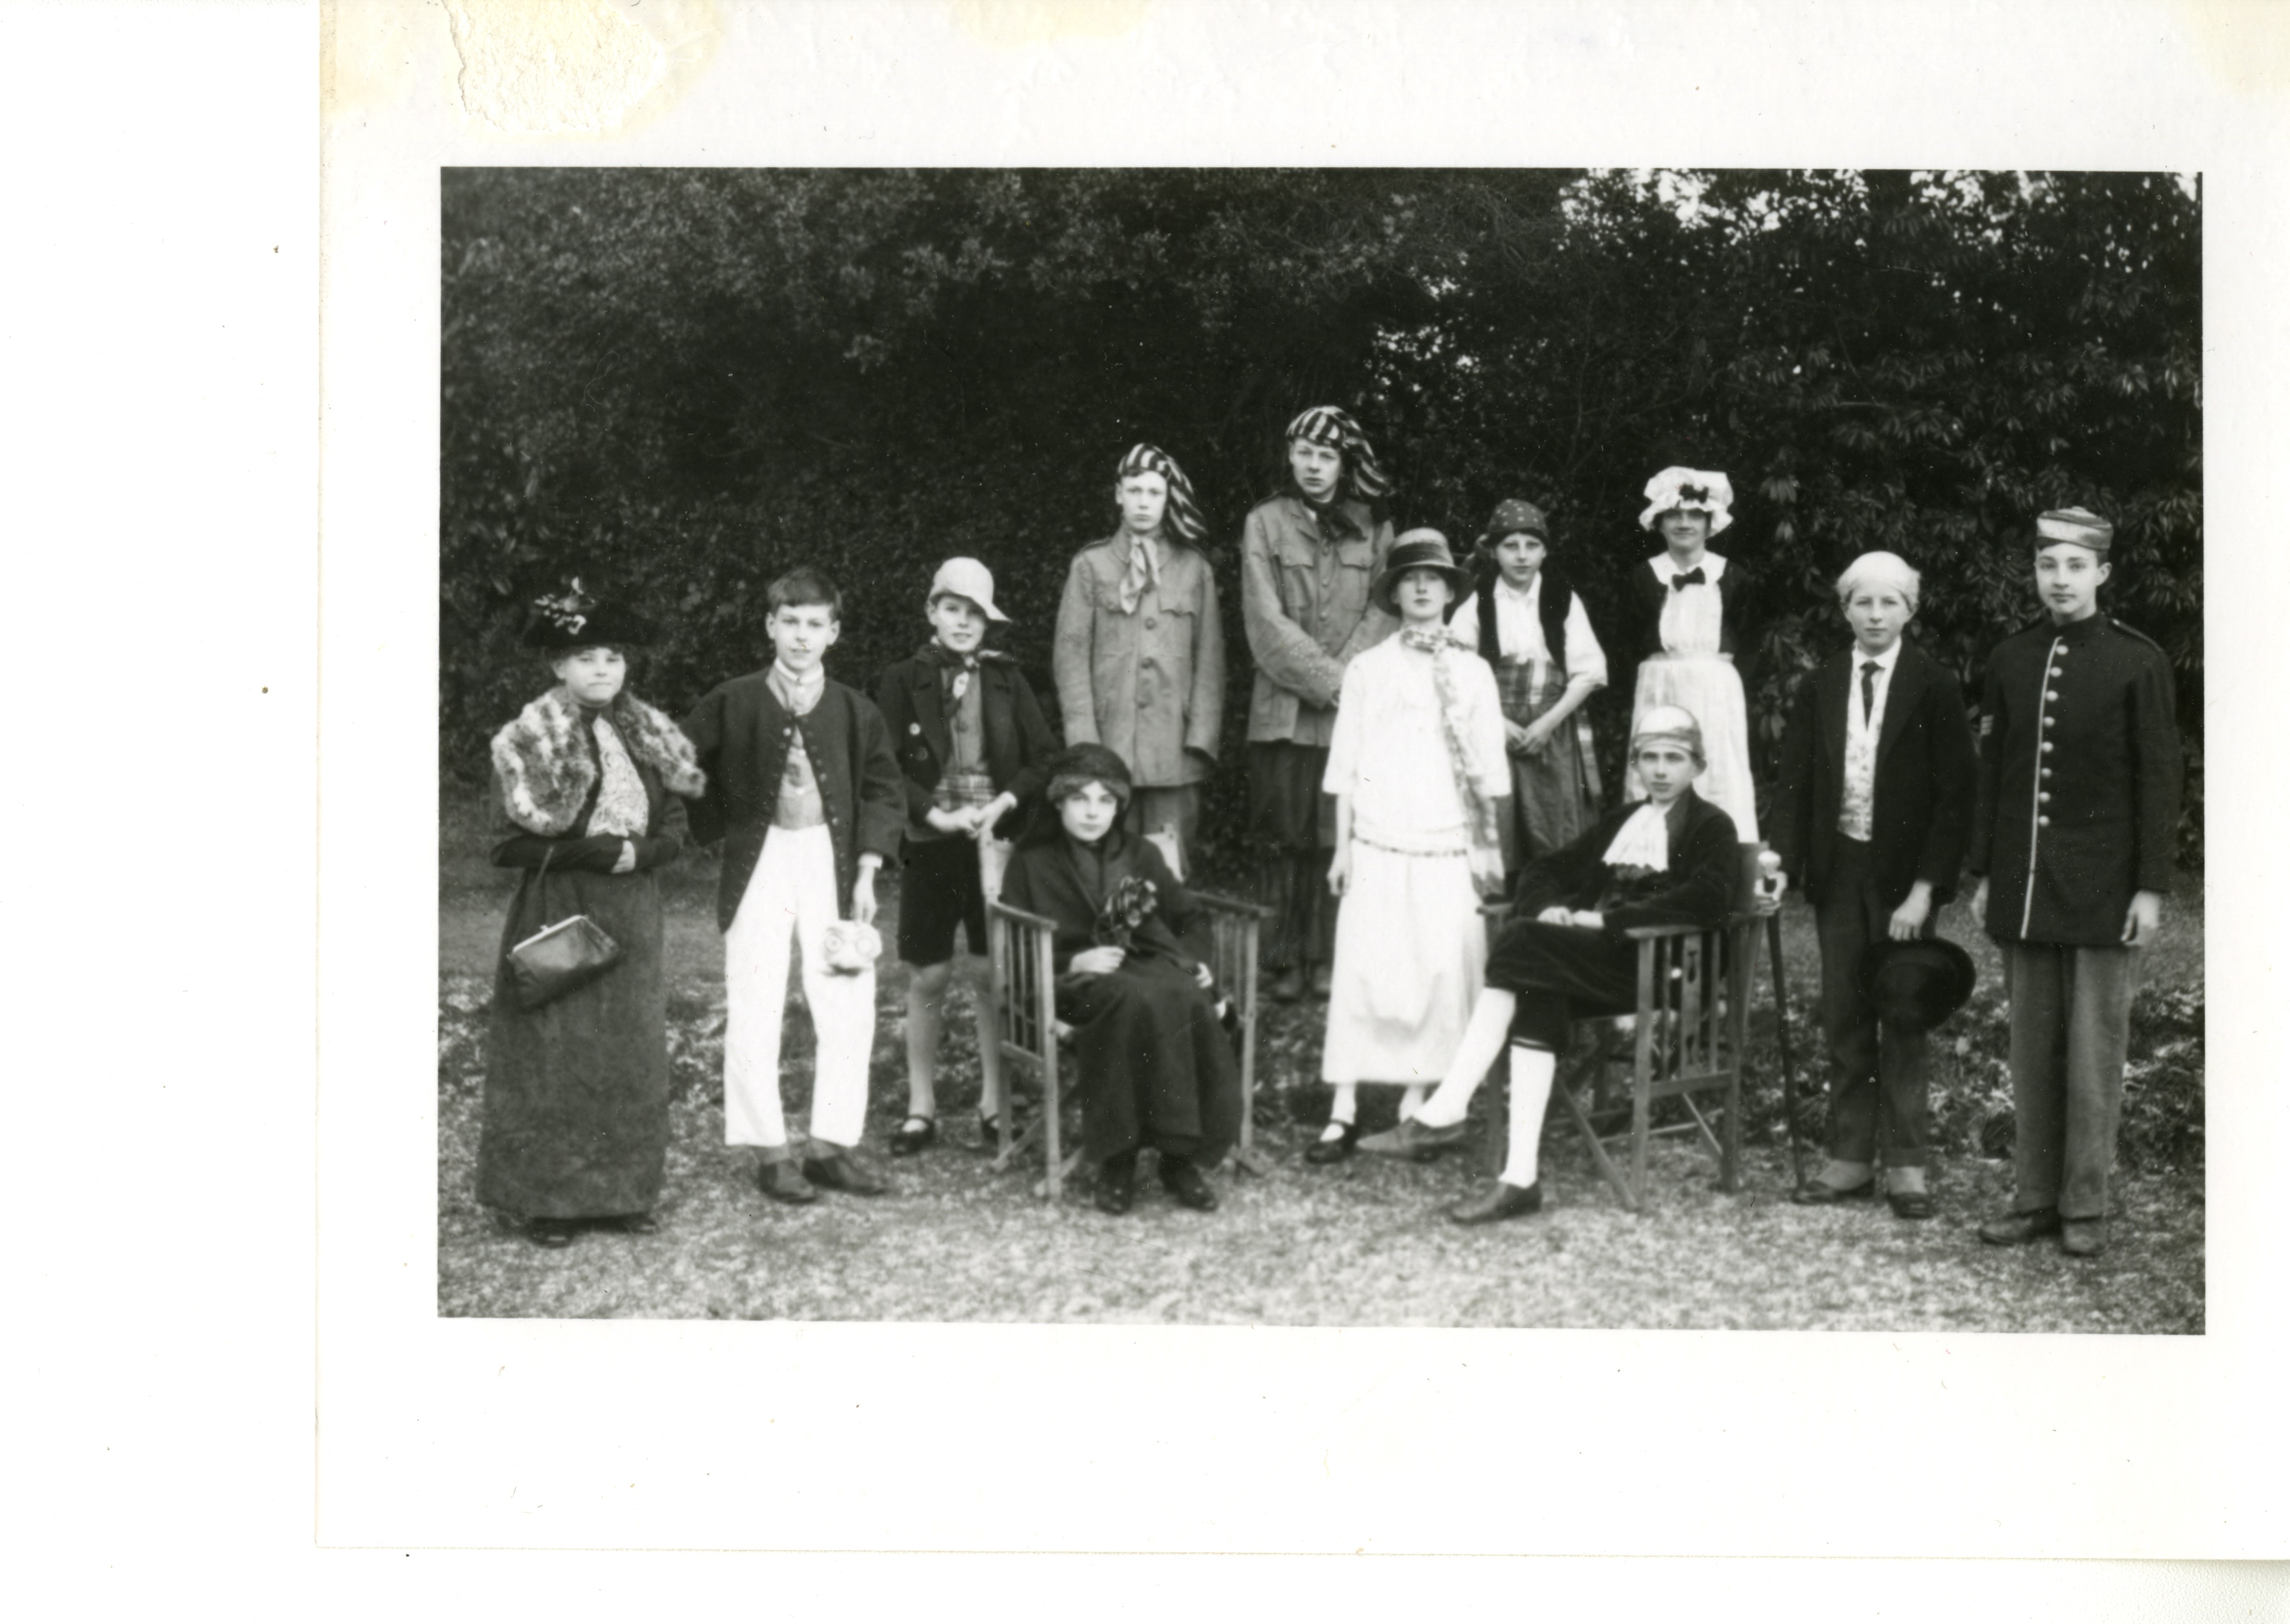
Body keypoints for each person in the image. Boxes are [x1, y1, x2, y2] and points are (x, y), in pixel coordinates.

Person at [1362, 707, 1768, 1223]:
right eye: (1650, 759)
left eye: (1674, 759)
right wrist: (1546, 907)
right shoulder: (1622, 821)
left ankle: (1447, 1109)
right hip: (1597, 964)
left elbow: (1705, 900)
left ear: (1697, 767)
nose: (1661, 770)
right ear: (1637, 766)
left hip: (1661, 968)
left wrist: (1606, 921)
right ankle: (1519, 1180)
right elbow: (1547, 868)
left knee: (1523, 947)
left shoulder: (1712, 826)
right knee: (1536, 985)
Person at [1966, 507, 2181, 1259]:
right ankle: (2033, 1197)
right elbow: (1996, 775)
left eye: (2075, 566)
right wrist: (1984, 875)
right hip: (2026, 883)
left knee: (2093, 1053)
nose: (2059, 579)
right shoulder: (2011, 657)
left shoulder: (2137, 661)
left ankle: (2084, 1202)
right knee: (2032, 1053)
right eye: (2047, 564)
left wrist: (2149, 887)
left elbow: (2159, 780)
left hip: (2105, 888)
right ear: (2034, 570)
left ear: (2102, 572)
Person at [479, 585, 707, 1247]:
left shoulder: (648, 734)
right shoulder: (528, 740)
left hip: (633, 911)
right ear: (559, 665)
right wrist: (593, 852)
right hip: (559, 909)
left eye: (613, 657)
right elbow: (505, 844)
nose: (603, 670)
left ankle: (622, 1195)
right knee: (556, 1053)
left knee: (628, 1053)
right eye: (586, 657)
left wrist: (644, 853)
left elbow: (675, 823)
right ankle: (548, 1201)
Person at [683, 566, 906, 1205]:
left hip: (834, 864)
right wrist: (719, 824)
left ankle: (830, 1147)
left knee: (847, 1002)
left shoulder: (856, 709)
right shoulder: (733, 699)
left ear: (834, 632)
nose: (801, 636)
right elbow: (679, 760)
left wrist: (868, 868)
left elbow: (882, 789)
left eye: (815, 624)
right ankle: (770, 1152)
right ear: (770, 626)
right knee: (754, 1000)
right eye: (790, 622)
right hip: (761, 860)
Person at [1769, 551, 1978, 1219]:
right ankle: (1850, 1157)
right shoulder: (1823, 682)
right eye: (1863, 602)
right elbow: (1795, 780)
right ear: (1845, 610)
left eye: (1890, 602)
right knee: (1844, 1014)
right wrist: (1782, 863)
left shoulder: (1933, 684)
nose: (1876, 615)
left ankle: (1907, 1165)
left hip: (1902, 880)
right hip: (1839, 870)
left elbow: (1954, 797)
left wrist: (1924, 891)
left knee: (1904, 1013)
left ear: (1910, 610)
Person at [1311, 530, 1509, 1165]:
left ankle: (1417, 1104)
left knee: (1439, 972)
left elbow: (1490, 772)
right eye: (1410, 579)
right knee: (1366, 970)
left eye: (1434, 579)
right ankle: (1342, 1110)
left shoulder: (1473, 671)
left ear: (1450, 592)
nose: (1422, 588)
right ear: (1393, 594)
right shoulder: (1367, 669)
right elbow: (1345, 766)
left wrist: (1486, 853)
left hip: (1448, 846)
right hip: (1377, 842)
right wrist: (1342, 849)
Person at [998, 745, 1243, 1216]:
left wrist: (1195, 960)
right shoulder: (1032, 862)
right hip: (1068, 985)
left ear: (1119, 807)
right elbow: (1015, 946)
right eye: (1080, 799)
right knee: (1133, 999)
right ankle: (1119, 1159)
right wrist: (1073, 962)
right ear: (1058, 802)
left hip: (1146, 972)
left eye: (1105, 801)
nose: (1093, 812)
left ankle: (1179, 1159)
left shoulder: (1140, 854)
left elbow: (1191, 918)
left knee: (1183, 993)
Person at [876, 558, 1058, 1156]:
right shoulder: (902, 678)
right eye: (952, 609)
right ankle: (920, 1107)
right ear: (932, 612)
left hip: (991, 842)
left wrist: (1003, 803)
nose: (963, 622)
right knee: (929, 972)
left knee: (988, 971)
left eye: (975, 614)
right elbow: (884, 765)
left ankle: (992, 1101)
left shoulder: (1007, 679)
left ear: (988, 623)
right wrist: (933, 814)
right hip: (930, 838)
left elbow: (1043, 757)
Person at [1239, 405, 1399, 1003]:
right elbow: (1263, 617)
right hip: (1280, 715)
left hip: (1350, 719)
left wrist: (1346, 682)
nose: (1313, 465)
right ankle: (1284, 961)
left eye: (1326, 455)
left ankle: (1332, 957)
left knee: (1338, 836)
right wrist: (1329, 679)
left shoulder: (1376, 529)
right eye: (1304, 452)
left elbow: (1384, 611)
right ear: (1289, 455)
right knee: (1282, 840)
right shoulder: (1263, 523)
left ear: (1343, 463)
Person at [1053, 443, 1226, 869]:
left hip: (1174, 750)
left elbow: (1210, 660)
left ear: (1168, 499)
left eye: (1154, 493)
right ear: (1119, 494)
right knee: (1104, 863)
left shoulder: (1193, 568)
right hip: (1108, 744)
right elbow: (1070, 659)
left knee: (1169, 867)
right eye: (1135, 491)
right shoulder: (1091, 566)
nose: (1144, 503)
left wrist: (1200, 740)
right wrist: (1084, 744)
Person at [1450, 498, 1609, 881]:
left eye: (1532, 545)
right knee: (1498, 813)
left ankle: (1552, 900)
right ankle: (1500, 903)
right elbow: (1455, 671)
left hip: (1551, 726)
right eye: (1511, 546)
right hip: (1494, 723)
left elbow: (1589, 672)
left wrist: (1547, 724)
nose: (1522, 556)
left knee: (1553, 818)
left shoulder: (1561, 597)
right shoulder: (1478, 600)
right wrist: (1496, 723)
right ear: (1494, 551)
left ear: (1545, 551)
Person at [1624, 466, 1759, 840]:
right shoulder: (1643, 577)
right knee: (1659, 762)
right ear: (1659, 521)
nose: (1684, 523)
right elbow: (1628, 642)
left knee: (1719, 767)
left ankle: (1723, 854)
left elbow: (1751, 642)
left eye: (1695, 515)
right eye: (1674, 514)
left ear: (1710, 522)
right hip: (1659, 687)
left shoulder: (1732, 576)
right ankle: (1650, 857)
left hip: (1716, 689)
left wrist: (1723, 684)